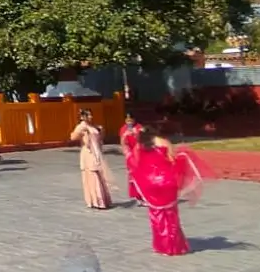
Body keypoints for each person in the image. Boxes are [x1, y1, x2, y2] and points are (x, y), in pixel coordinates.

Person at [130, 128, 200, 256]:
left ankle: (161, 245)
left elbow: (134, 162)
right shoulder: (164, 142)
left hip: (149, 183)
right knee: (171, 214)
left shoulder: (139, 146)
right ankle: (174, 246)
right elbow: (173, 160)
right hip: (166, 181)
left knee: (156, 215)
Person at [70, 109, 113, 209]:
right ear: (83, 117)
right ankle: (95, 200)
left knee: (99, 174)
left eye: (91, 115)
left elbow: (100, 138)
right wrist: (81, 132)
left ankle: (103, 199)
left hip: (96, 151)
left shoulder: (94, 126)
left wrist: (101, 131)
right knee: (92, 175)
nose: (90, 117)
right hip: (88, 152)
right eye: (88, 115)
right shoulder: (81, 126)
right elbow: (73, 137)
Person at [119, 113, 145, 204]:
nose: (129, 121)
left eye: (131, 119)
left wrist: (136, 134)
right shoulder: (123, 129)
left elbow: (144, 139)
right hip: (130, 154)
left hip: (140, 153)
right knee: (133, 175)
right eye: (127, 119)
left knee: (143, 174)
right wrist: (125, 136)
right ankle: (138, 196)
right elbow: (123, 144)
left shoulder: (139, 127)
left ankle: (144, 195)